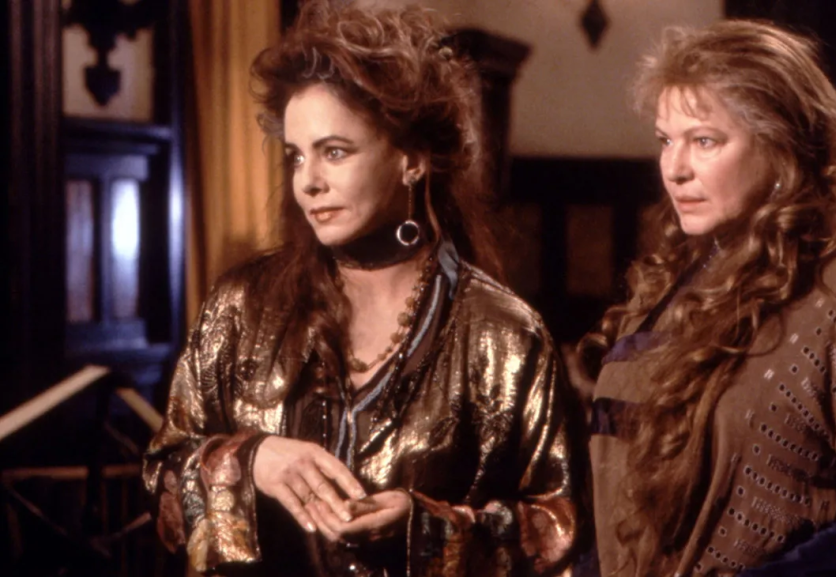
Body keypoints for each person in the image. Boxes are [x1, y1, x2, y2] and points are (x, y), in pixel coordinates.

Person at [143, 3, 584, 575]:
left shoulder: (503, 336)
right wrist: (249, 461)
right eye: (295, 156)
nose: (308, 181)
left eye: (335, 152)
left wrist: (427, 528)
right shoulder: (241, 305)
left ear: (412, 160)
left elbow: (559, 529)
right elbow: (163, 483)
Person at [582, 20, 836, 577]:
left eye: (705, 141)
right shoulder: (665, 294)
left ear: (781, 149)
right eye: (666, 140)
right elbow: (615, 512)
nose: (675, 169)